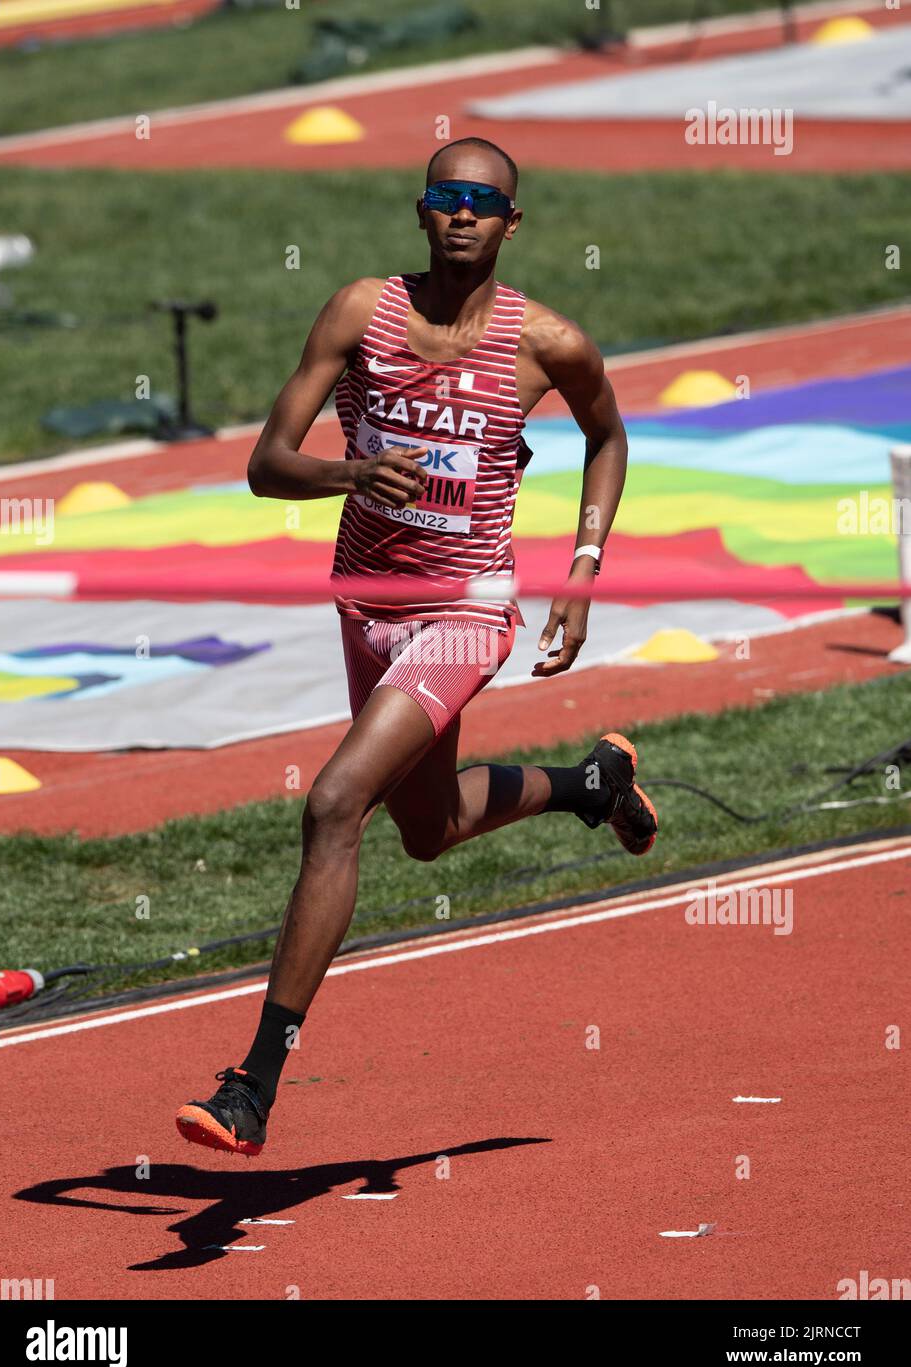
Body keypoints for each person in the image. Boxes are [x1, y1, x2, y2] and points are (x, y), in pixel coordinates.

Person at [175, 137, 657, 1156]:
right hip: (366, 601)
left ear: (511, 223)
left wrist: (580, 566)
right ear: (421, 211)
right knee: (426, 828)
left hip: (468, 608)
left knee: (335, 801)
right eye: (447, 197)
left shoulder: (548, 343)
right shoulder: (359, 311)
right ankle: (588, 783)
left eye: (485, 202)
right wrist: (352, 474)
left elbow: (607, 435)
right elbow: (265, 466)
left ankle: (251, 1083)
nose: (464, 214)